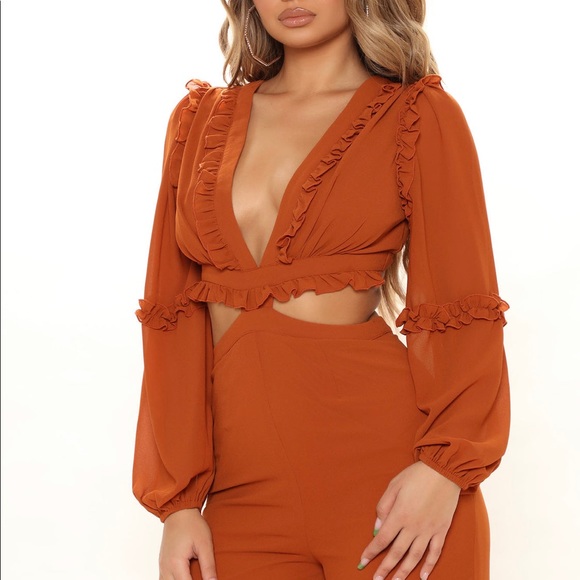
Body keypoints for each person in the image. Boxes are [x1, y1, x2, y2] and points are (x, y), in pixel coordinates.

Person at [132, 1, 510, 579]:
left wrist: (443, 470)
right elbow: (171, 315)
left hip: (392, 487)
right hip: (240, 496)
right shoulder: (197, 122)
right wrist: (178, 503)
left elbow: (462, 304)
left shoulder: (418, 114)